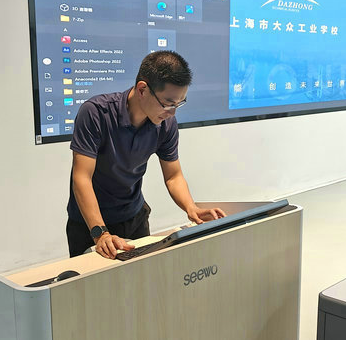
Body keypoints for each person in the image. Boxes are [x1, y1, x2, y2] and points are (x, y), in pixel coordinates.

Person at [66, 50, 227, 258]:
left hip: (135, 216)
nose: (172, 112)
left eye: (179, 103)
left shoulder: (166, 124)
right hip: (90, 223)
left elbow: (173, 176)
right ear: (142, 89)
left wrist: (191, 208)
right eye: (168, 103)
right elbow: (82, 177)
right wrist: (100, 233)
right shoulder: (96, 113)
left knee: (143, 276)